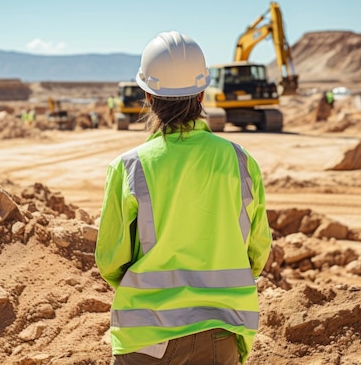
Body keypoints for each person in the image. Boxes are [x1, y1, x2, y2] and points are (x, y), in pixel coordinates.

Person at [95, 31, 272, 365]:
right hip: (222, 334)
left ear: (147, 95)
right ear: (203, 93)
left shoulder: (128, 167)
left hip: (146, 338)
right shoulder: (241, 162)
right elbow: (257, 254)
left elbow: (110, 261)